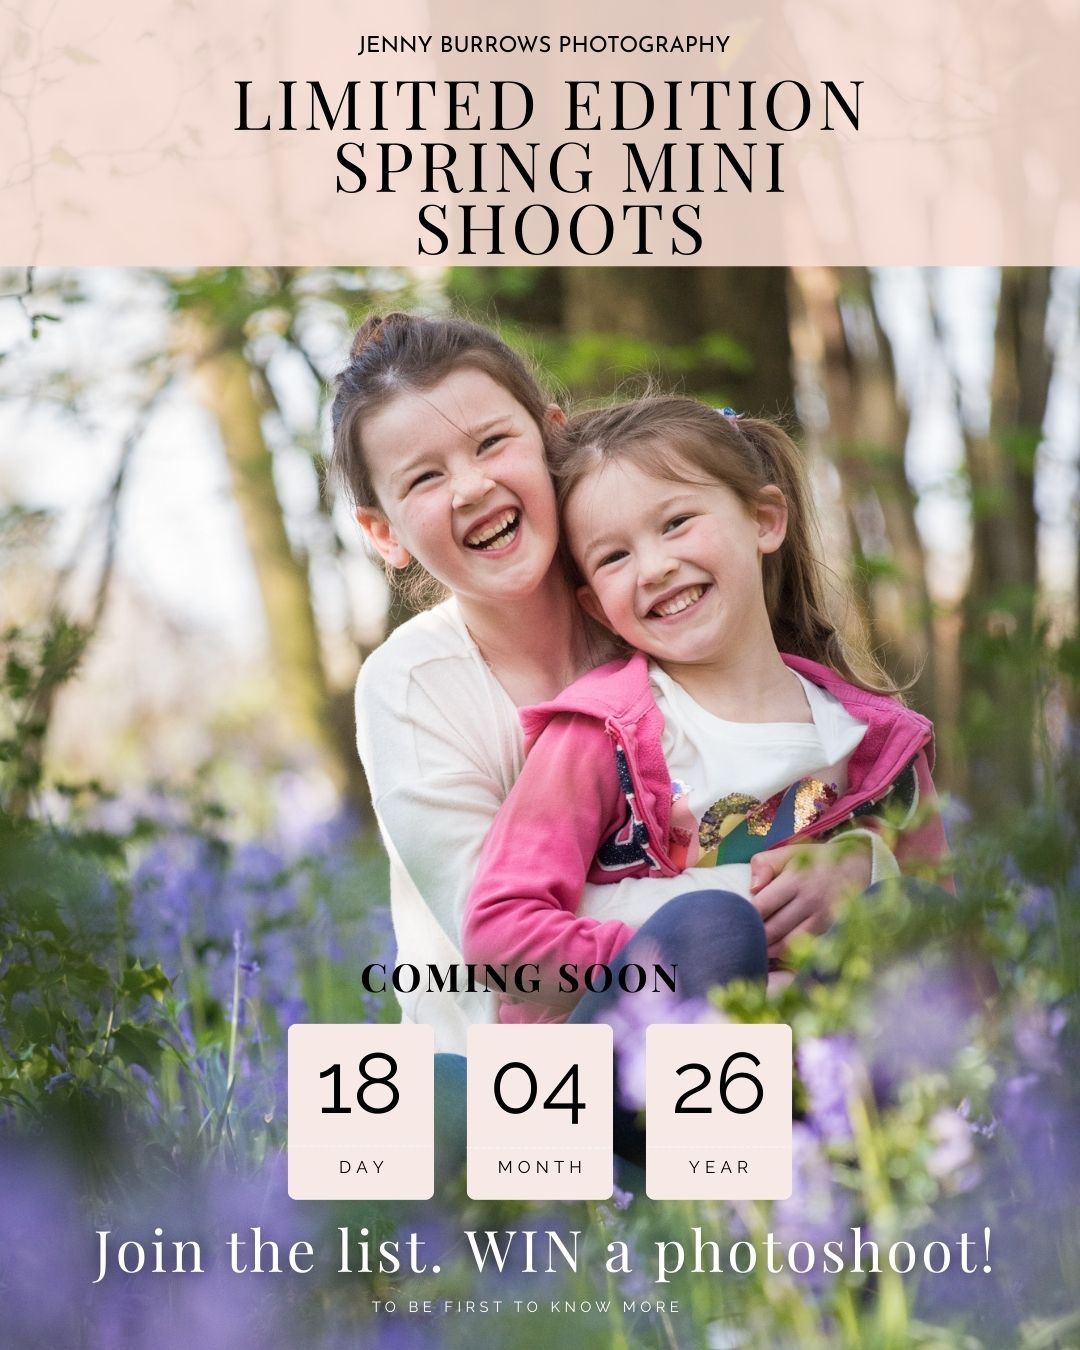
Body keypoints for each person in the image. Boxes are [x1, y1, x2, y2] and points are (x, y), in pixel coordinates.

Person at [333, 317, 773, 1059]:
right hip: (515, 1073)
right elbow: (506, 944)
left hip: (722, 1028)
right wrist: (753, 914)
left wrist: (845, 868)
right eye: (425, 478)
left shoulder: (656, 605)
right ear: (384, 533)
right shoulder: (411, 687)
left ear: (550, 438)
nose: (472, 486)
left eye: (491, 442)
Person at [462, 397, 951, 1027]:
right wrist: (702, 959)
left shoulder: (878, 748)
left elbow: (955, 944)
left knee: (910, 911)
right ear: (594, 606)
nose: (656, 567)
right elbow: (500, 940)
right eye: (614, 557)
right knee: (713, 927)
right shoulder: (602, 735)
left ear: (765, 520)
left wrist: (867, 870)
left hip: (826, 1073)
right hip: (629, 1086)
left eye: (676, 523)